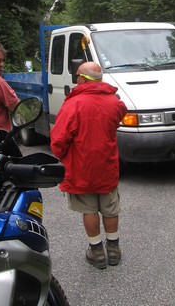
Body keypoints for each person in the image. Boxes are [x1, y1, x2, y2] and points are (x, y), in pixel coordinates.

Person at [50, 62, 127, 269]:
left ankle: (96, 252)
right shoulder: (115, 103)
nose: (76, 80)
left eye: (77, 76)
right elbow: (118, 118)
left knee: (89, 209)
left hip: (81, 167)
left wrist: (61, 156)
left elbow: (58, 139)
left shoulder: (73, 104)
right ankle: (114, 249)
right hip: (107, 166)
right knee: (110, 208)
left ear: (83, 78)